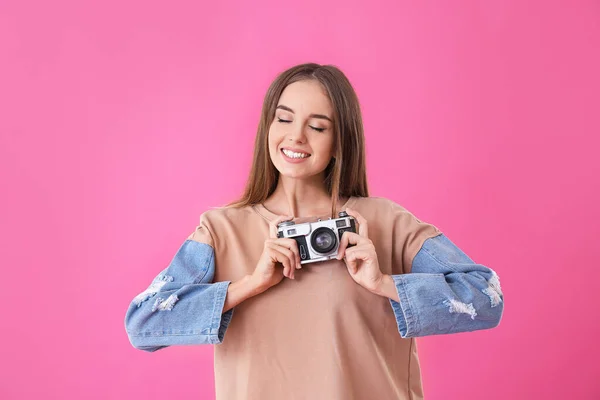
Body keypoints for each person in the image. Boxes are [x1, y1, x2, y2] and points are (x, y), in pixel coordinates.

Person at [124, 63, 504, 400]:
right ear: (267, 127)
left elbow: (486, 298)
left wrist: (384, 283)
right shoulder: (222, 230)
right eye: (284, 118)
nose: (296, 137)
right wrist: (250, 285)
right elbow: (143, 325)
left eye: (317, 126)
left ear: (339, 141)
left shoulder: (382, 222)